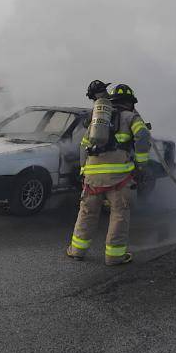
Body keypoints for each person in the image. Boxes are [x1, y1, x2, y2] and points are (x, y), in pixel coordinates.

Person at [66, 83, 151, 265]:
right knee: (119, 214)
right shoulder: (131, 117)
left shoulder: (98, 120)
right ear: (130, 102)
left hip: (92, 177)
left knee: (87, 213)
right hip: (118, 178)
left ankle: (76, 250)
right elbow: (143, 136)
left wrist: (83, 171)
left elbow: (83, 145)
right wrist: (141, 164)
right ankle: (114, 256)